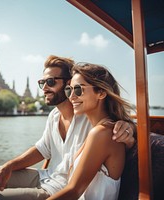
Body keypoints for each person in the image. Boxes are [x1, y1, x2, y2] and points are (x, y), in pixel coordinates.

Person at [0, 56, 135, 200]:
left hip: (60, 189)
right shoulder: (56, 115)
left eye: (51, 82)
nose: (44, 88)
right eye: (42, 82)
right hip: (48, 177)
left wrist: (129, 128)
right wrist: (7, 166)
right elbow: (41, 149)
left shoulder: (93, 121)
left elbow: (117, 122)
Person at [47, 62, 134, 200]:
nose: (71, 97)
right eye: (69, 90)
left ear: (101, 93)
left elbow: (73, 191)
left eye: (78, 90)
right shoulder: (97, 130)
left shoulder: (102, 133)